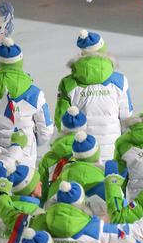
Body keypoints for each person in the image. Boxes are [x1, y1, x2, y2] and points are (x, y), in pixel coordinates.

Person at [55, 29, 132, 161]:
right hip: (112, 151)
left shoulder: (68, 84)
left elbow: (62, 121)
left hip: (82, 150)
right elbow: (126, 117)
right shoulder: (120, 82)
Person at [0, 37, 54, 167]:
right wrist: (33, 142)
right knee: (25, 185)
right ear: (20, 62)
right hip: (25, 154)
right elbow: (46, 130)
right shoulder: (35, 94)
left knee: (0, 186)